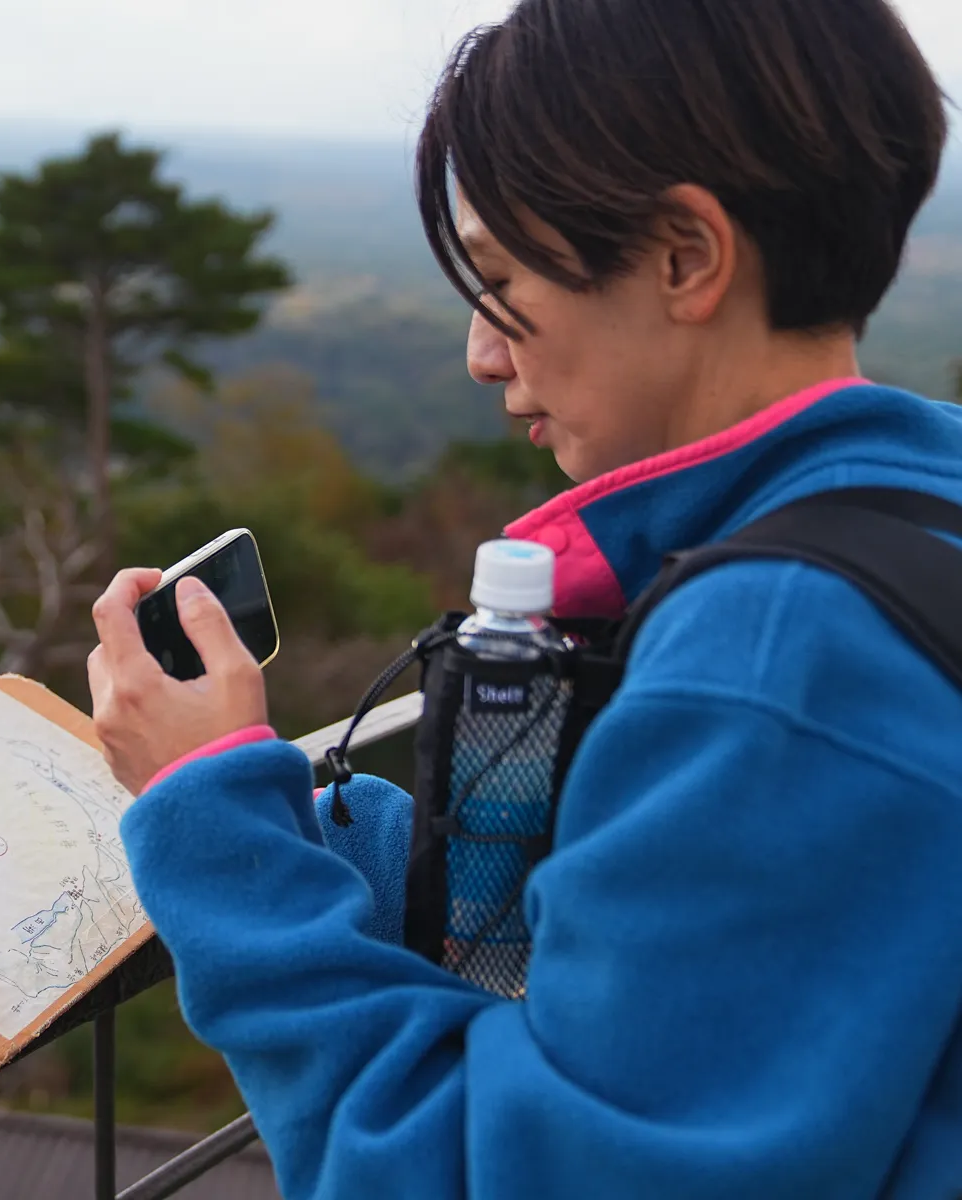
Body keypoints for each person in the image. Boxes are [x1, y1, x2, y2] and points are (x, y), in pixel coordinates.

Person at [86, 1, 962, 1196]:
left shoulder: (775, 663)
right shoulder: (913, 513)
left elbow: (479, 1175)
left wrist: (216, 824)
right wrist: (289, 797)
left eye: (501, 279)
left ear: (684, 258)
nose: (481, 354)